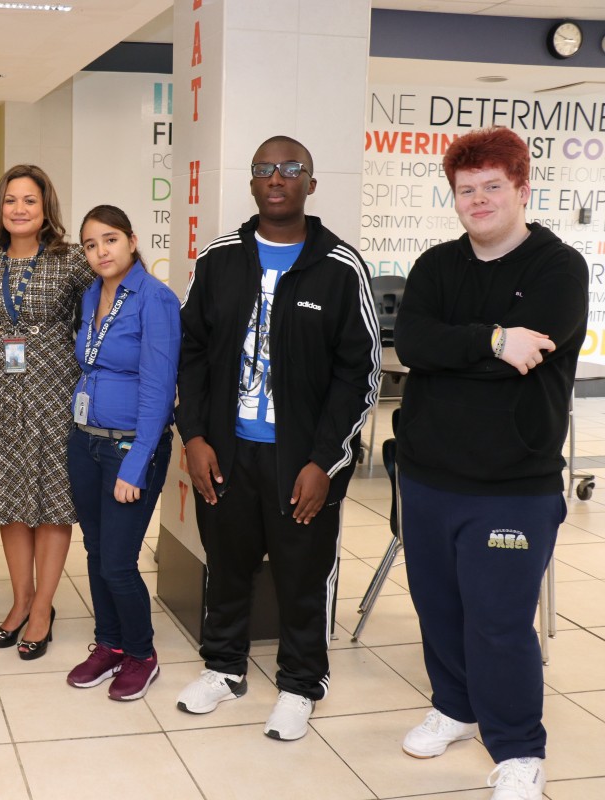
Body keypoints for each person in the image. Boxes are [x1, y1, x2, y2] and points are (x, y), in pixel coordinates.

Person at [393, 127, 587, 800]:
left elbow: (530, 358)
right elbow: (413, 340)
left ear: (522, 190)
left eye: (492, 187)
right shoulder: (437, 267)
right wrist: (494, 340)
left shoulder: (559, 269)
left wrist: (461, 352)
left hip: (512, 486)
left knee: (499, 622)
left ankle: (518, 751)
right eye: (465, 190)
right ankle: (454, 706)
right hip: (426, 475)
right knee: (438, 607)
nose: (477, 201)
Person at [175, 136, 379, 741]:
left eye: (291, 169)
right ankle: (223, 668)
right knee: (229, 564)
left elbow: (359, 374)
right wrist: (193, 436)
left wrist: (324, 461)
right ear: (252, 182)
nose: (276, 178)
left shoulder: (341, 267)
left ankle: (299, 683)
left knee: (302, 575)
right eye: (264, 168)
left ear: (310, 184)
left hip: (302, 461)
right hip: (227, 452)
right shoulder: (218, 260)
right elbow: (191, 353)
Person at [0, 164, 93, 660]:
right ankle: (20, 602)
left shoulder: (71, 260)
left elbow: (116, 292)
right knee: (11, 508)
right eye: (10, 200)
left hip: (54, 399)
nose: (18, 209)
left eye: (29, 201)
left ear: (45, 208)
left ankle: (43, 609)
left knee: (52, 507)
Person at [64, 205, 179, 701]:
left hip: (130, 447)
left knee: (118, 561)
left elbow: (158, 389)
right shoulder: (93, 294)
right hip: (85, 440)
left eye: (109, 240)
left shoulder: (155, 299)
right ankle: (109, 644)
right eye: (90, 245)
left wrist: (136, 463)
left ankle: (141, 653)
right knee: (94, 551)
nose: (100, 252)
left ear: (132, 240)